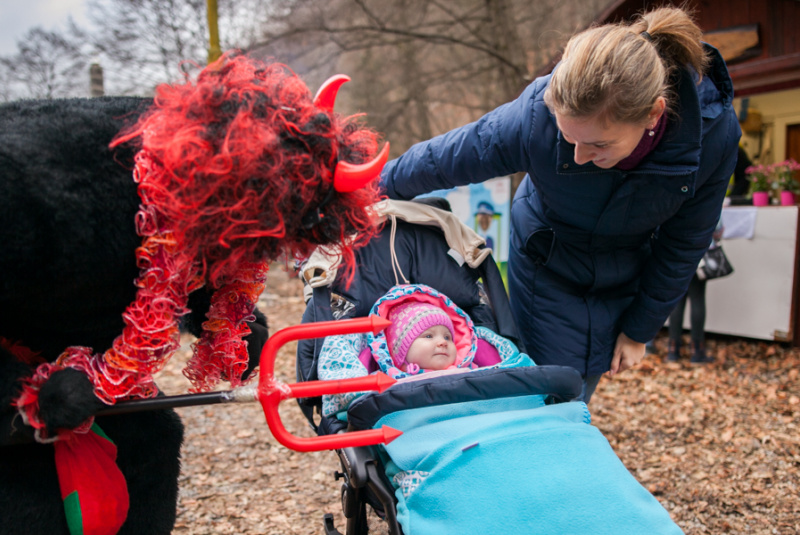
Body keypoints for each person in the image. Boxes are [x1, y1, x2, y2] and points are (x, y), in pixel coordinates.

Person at [379, 6, 740, 404]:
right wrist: (372, 186)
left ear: (653, 114)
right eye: (570, 139)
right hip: (546, 258)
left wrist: (640, 329)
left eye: (599, 144)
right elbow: (452, 156)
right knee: (550, 389)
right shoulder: (537, 114)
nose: (580, 155)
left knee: (582, 385)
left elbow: (685, 242)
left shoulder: (714, 138)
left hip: (623, 268)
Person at [317, 284, 532, 417]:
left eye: (448, 337)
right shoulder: (385, 381)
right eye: (428, 336)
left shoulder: (475, 369)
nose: (442, 342)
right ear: (400, 351)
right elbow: (355, 403)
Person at [666, 219, 725, 363]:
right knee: (697, 299)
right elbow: (717, 230)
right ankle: (697, 350)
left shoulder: (675, 197)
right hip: (698, 255)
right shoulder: (707, 197)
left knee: (678, 301)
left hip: (677, 255)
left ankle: (673, 349)